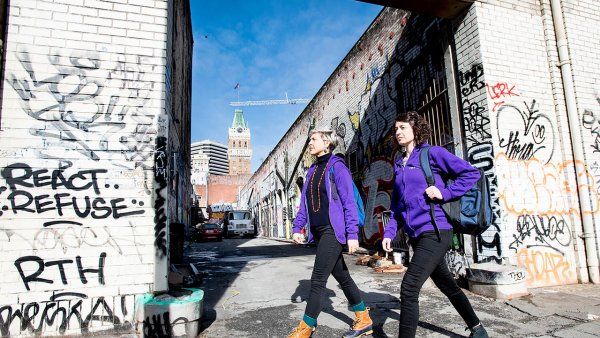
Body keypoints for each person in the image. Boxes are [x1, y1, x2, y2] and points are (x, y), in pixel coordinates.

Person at [382, 112, 489, 338]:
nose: (398, 132)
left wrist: (445, 193)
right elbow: (397, 204)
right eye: (396, 129)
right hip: (417, 236)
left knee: (409, 288)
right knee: (447, 285)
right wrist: (390, 232)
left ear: (415, 129)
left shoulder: (432, 154)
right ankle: (478, 329)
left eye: (402, 127)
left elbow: (470, 174)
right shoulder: (399, 163)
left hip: (437, 231)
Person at [288, 129, 373, 338]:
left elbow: (348, 203)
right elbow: (304, 206)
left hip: (333, 231)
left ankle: (306, 328)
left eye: (314, 139)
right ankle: (364, 318)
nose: (310, 143)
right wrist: (298, 227)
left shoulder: (337, 167)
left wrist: (353, 234)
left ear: (327, 143)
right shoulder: (311, 171)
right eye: (309, 140)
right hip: (318, 232)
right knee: (342, 276)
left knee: (317, 279)